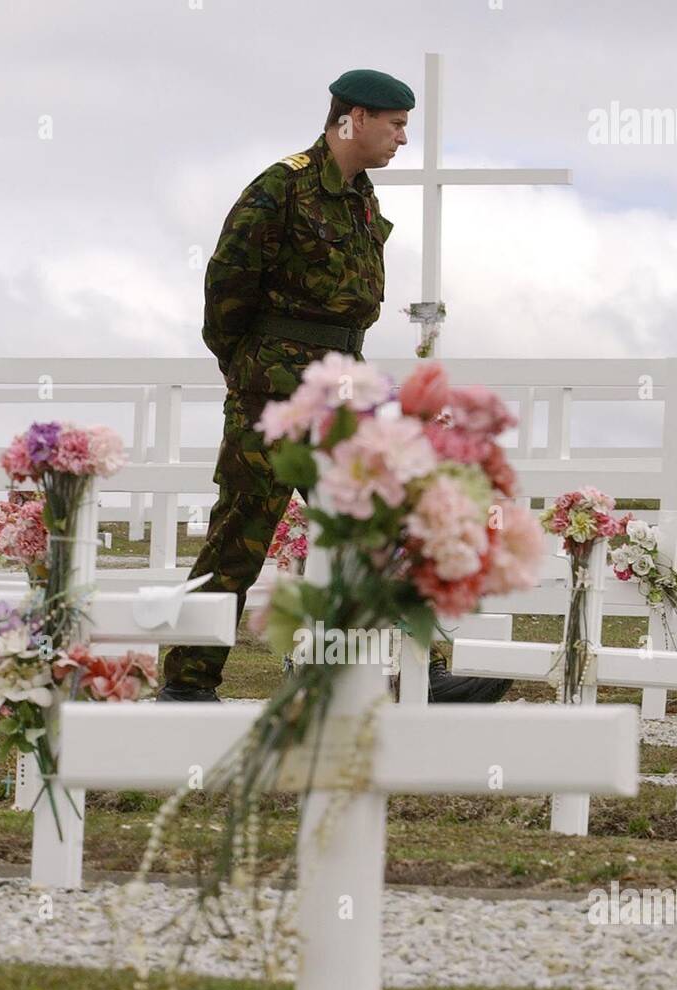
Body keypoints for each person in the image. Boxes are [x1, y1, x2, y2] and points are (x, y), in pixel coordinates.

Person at [158, 68, 512, 705]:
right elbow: (225, 292)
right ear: (353, 119)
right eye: (396, 124)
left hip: (345, 385)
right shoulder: (281, 187)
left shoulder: (361, 199)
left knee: (377, 522)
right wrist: (251, 371)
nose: (403, 138)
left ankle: (414, 671)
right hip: (273, 392)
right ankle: (188, 684)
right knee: (241, 534)